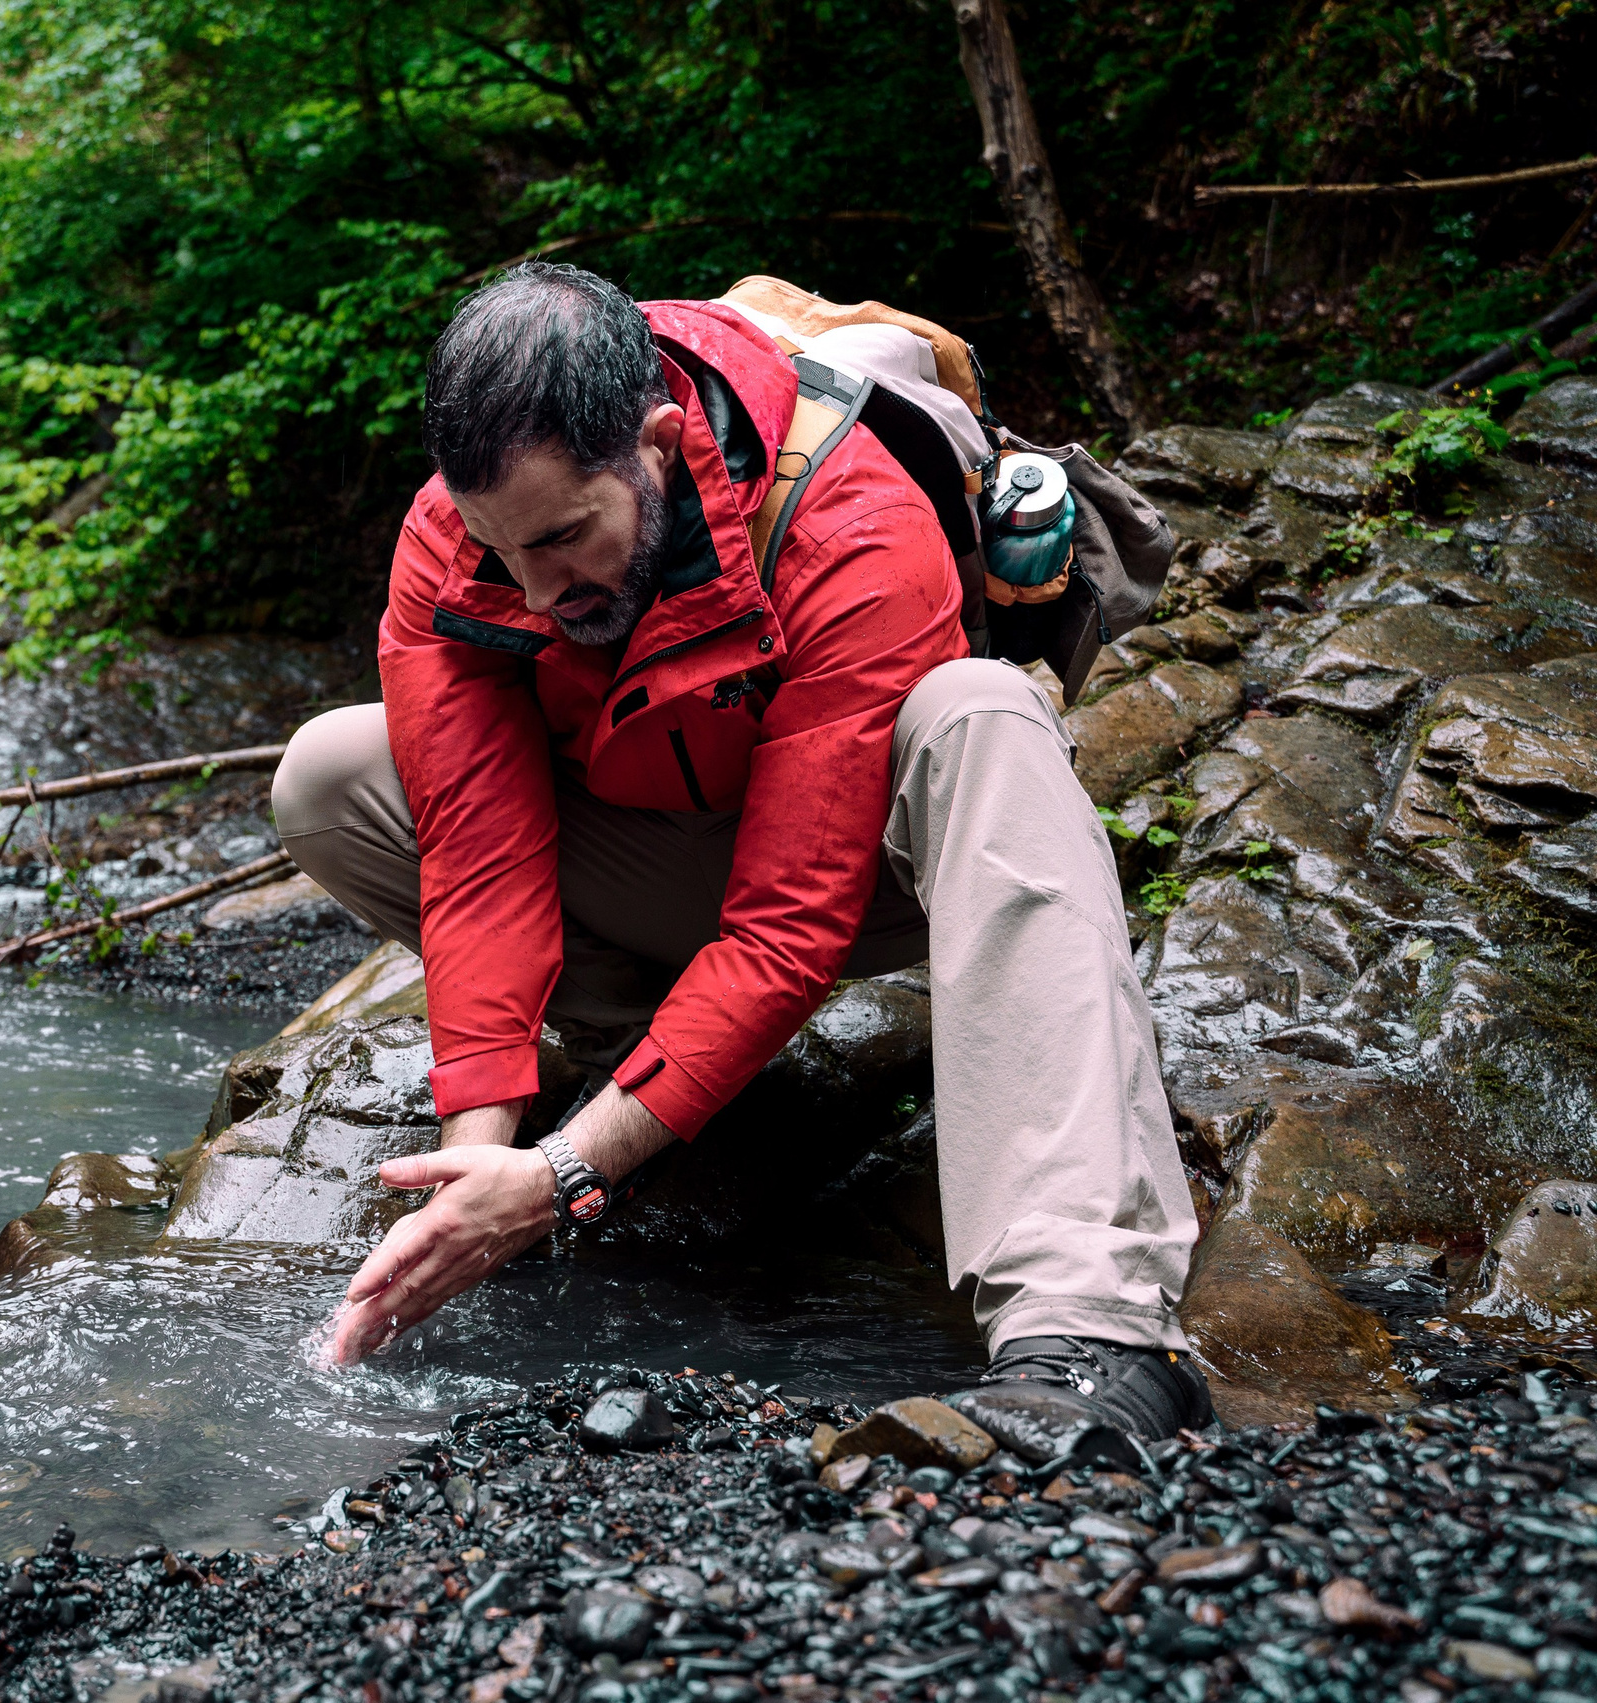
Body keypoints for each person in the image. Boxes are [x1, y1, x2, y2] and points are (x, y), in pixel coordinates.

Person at [271, 262, 1210, 1456]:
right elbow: (479, 858)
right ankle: (649, 1077)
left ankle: (1094, 1325)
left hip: (875, 872)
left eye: (565, 536)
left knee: (981, 713)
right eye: (506, 552)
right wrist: (475, 1171)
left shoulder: (849, 521)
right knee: (331, 772)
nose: (539, 588)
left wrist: (560, 1174)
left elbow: (789, 920)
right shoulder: (459, 540)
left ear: (658, 446)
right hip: (670, 846)